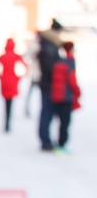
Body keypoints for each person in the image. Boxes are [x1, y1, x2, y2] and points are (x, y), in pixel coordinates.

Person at [38, 19, 65, 152]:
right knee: (47, 113)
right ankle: (45, 141)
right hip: (49, 85)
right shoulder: (49, 46)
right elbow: (50, 69)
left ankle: (46, 140)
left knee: (47, 113)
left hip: (48, 84)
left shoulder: (48, 44)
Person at [50, 41, 81, 153]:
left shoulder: (59, 61)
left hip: (56, 95)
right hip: (66, 96)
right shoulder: (70, 62)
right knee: (65, 123)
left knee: (59, 122)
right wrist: (78, 92)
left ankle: (58, 143)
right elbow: (72, 81)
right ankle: (61, 145)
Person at [0, 38, 26, 132]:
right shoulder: (16, 56)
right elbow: (26, 67)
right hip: (13, 80)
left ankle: (6, 123)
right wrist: (20, 77)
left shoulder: (2, 56)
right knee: (10, 103)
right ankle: (8, 122)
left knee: (6, 103)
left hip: (4, 80)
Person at [23, 34, 41, 118]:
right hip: (36, 74)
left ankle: (28, 110)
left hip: (38, 75)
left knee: (32, 94)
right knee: (32, 94)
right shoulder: (36, 44)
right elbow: (26, 54)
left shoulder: (38, 44)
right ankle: (27, 110)